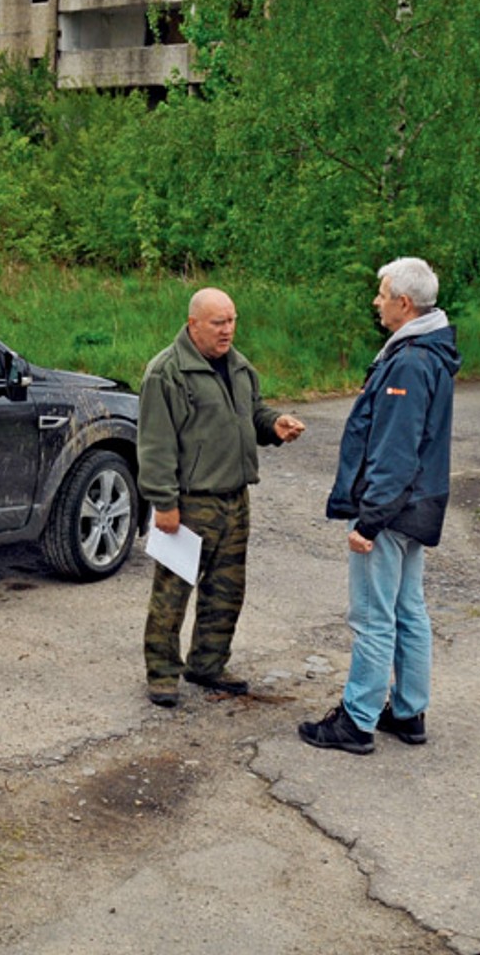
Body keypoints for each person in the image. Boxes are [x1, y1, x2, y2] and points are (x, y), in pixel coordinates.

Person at [300, 257, 460, 755]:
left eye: (382, 293)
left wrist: (368, 521)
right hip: (417, 505)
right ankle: (409, 712)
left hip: (391, 510)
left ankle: (357, 719)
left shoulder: (410, 362)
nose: (377, 301)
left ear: (404, 303)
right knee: (408, 609)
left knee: (373, 614)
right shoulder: (428, 351)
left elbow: (395, 450)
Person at [139, 287, 305, 708]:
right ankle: (161, 673)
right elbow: (155, 443)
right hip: (191, 502)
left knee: (227, 590)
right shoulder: (167, 372)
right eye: (218, 322)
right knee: (172, 591)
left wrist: (275, 425)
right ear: (193, 323)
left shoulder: (240, 367)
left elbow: (252, 414)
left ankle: (208, 664)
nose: (227, 330)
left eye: (232, 320)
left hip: (235, 498)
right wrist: (164, 502)